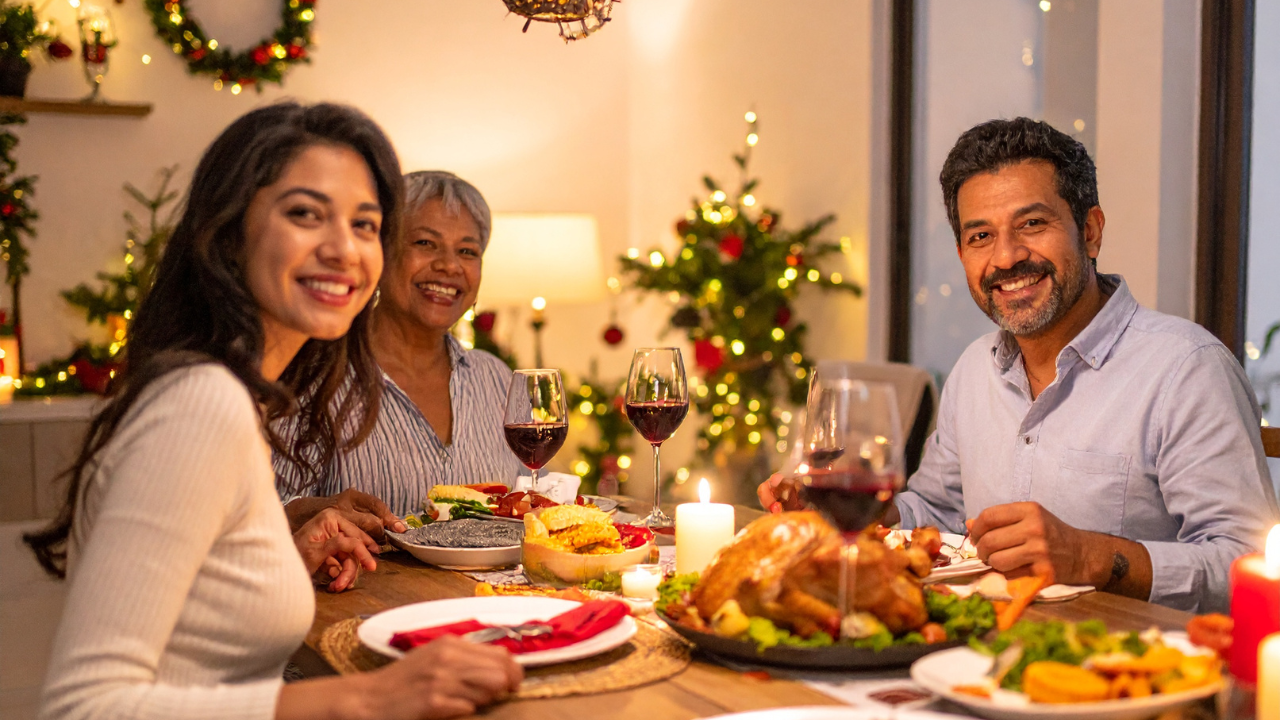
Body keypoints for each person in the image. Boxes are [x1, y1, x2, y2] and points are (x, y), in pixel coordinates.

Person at [24, 102, 522, 720]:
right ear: (230, 232)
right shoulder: (201, 404)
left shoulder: (241, 396)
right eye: (306, 214)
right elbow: (82, 707)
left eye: (365, 224)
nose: (344, 248)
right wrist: (370, 697)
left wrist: (278, 561)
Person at [761, 117, 1278, 613]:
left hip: (1130, 663)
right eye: (980, 236)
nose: (1006, 258)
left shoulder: (1187, 369)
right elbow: (936, 512)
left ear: (1091, 231)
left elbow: (1249, 564)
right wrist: (841, 516)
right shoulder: (974, 369)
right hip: (979, 650)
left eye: (1032, 224)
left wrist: (1091, 557)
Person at [276, 170, 523, 528]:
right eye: (425, 243)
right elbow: (258, 516)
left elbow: (534, 500)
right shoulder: (315, 375)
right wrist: (315, 511)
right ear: (380, 253)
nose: (449, 265)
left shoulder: (496, 378)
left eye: (467, 251)